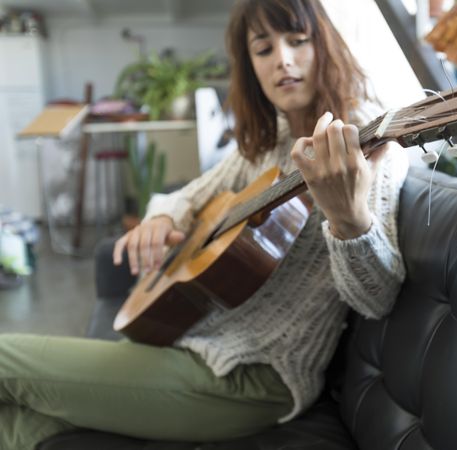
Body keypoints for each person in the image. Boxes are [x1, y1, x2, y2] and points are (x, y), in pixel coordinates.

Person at [0, 0, 408, 447]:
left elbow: (377, 298)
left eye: (297, 41)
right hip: (193, 342)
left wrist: (349, 220)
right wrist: (161, 216)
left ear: (326, 44)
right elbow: (188, 195)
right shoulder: (265, 143)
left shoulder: (363, 149)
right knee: (21, 425)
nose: (283, 60)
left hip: (253, 378)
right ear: (249, 64)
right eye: (263, 48)